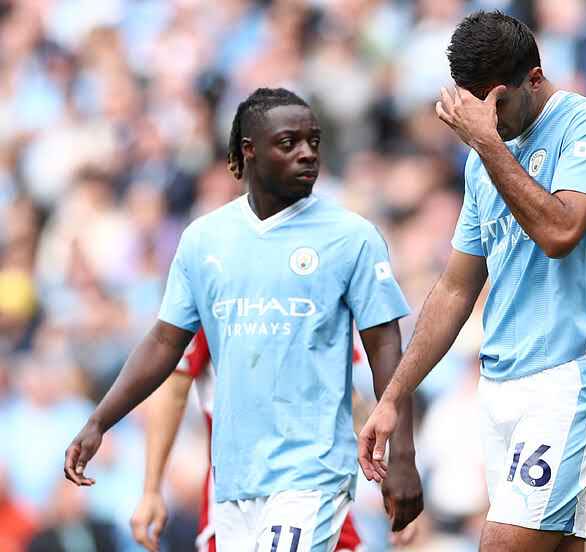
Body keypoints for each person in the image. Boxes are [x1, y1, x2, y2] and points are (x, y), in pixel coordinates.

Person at [65, 87, 423, 551]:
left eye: (313, 142)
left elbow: (387, 349)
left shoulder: (350, 237)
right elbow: (163, 345)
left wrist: (404, 457)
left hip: (311, 475)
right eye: (289, 142)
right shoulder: (204, 240)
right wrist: (99, 422)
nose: (307, 154)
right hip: (233, 483)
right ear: (249, 150)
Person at [358, 11, 586, 552]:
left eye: (497, 102)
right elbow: (457, 287)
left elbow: (560, 231)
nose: (487, 117)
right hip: (502, 388)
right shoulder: (484, 159)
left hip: (568, 375)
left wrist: (488, 145)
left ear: (534, 78)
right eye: (475, 103)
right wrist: (393, 396)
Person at [129, 329, 364, 552]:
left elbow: (344, 393)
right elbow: (174, 384)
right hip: (236, 509)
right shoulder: (211, 290)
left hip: (316, 496)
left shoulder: (319, 291)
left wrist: (390, 470)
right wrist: (151, 488)